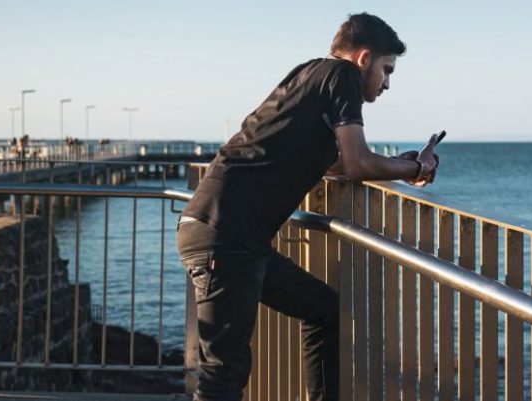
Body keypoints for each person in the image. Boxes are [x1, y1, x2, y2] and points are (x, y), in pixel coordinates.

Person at [177, 13, 439, 401]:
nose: (387, 83)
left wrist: (399, 164)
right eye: (387, 70)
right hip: (223, 234)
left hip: (238, 237)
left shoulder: (310, 75)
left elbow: (337, 164)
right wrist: (416, 169)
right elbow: (357, 163)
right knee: (223, 374)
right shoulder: (342, 75)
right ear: (364, 58)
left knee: (325, 311)